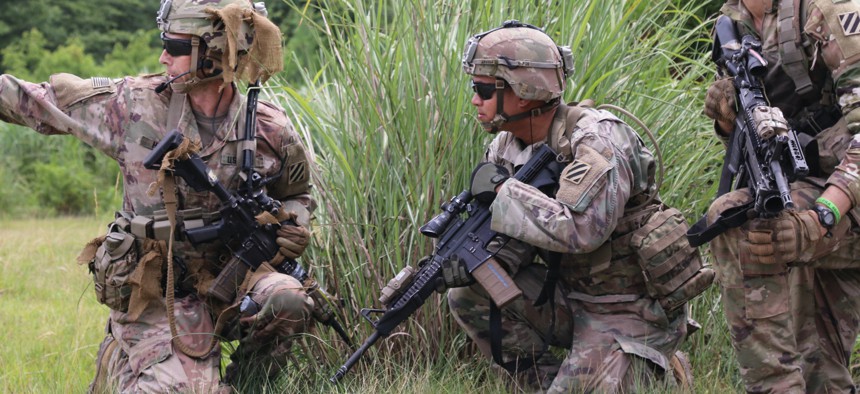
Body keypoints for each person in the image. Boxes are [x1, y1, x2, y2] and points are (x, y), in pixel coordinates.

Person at [0, 0, 318, 392]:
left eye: (177, 47)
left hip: (234, 277)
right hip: (156, 291)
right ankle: (133, 358)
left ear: (214, 54)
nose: (163, 56)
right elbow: (31, 100)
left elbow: (298, 195)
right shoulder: (132, 106)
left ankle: (250, 386)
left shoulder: (270, 129)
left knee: (289, 301)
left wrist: (292, 224)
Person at [444, 20, 711, 393]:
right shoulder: (507, 147)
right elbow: (515, 238)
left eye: (484, 89)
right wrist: (469, 263)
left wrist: (505, 193)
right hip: (571, 298)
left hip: (630, 308)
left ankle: (654, 365)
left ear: (523, 92)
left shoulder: (598, 139)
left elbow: (582, 230)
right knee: (469, 293)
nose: (475, 99)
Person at [702, 0, 860, 392]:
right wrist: (730, 119)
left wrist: (821, 218)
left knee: (738, 223)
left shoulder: (829, 11)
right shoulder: (733, 22)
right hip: (804, 187)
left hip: (841, 198)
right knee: (819, 371)